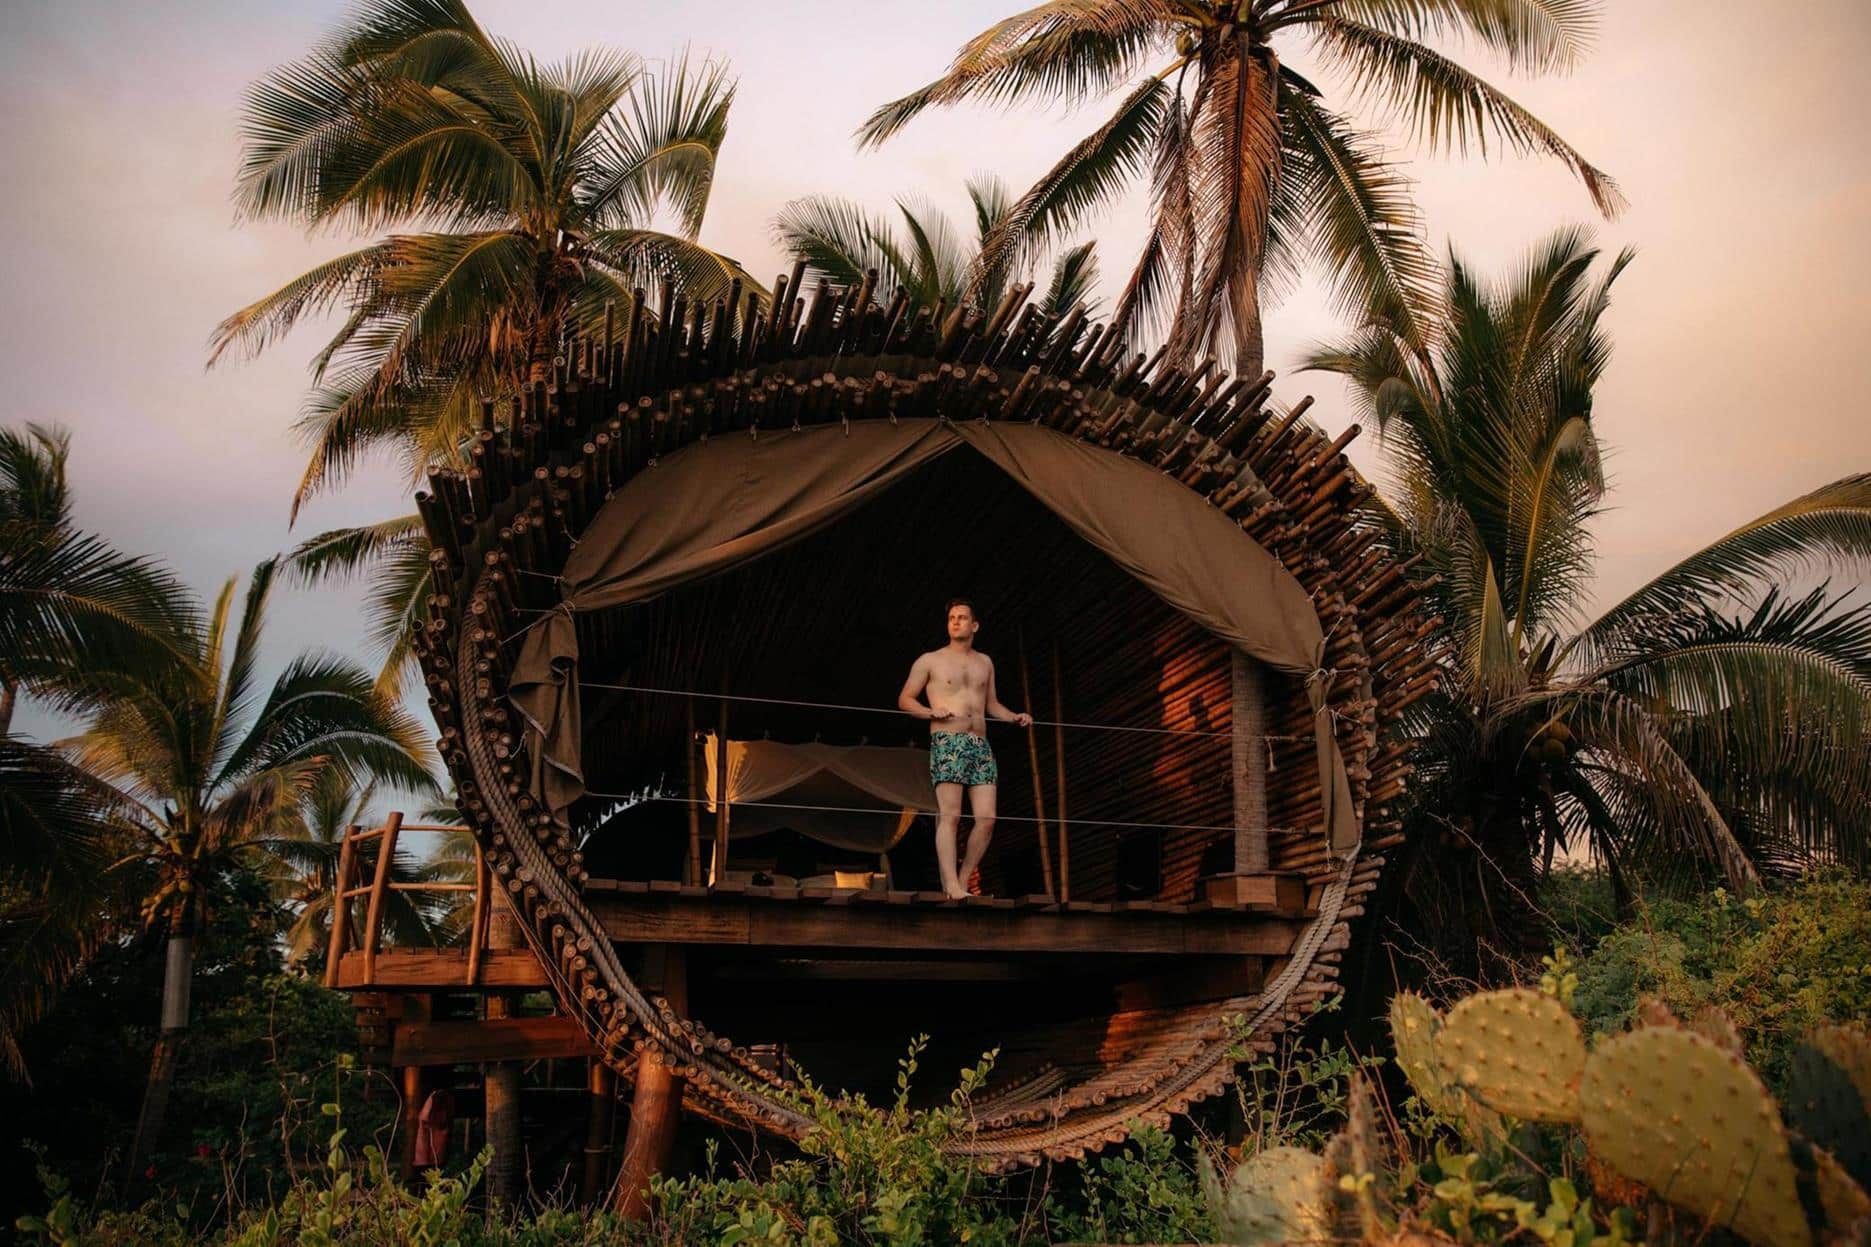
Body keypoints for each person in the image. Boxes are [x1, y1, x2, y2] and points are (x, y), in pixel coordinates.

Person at [897, 598, 1032, 899]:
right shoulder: (930, 660)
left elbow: (992, 703)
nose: (955, 621)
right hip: (949, 741)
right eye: (951, 618)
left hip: (980, 744)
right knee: (951, 815)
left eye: (962, 617)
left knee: (986, 819)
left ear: (975, 625)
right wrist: (930, 712)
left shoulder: (985, 662)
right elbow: (905, 699)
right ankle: (951, 886)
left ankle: (962, 878)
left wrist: (1014, 716)